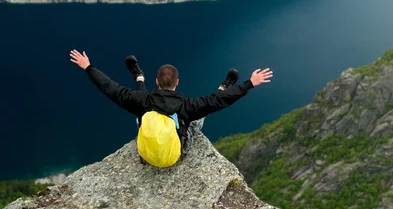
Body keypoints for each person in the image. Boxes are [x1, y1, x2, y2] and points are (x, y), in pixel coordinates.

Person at [69, 50, 273, 162]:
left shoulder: (144, 101)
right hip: (175, 156)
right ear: (177, 83)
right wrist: (249, 83)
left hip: (145, 154)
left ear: (157, 83)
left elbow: (110, 88)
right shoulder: (187, 106)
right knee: (206, 109)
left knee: (137, 104)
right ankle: (223, 87)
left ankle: (139, 77)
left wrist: (89, 67)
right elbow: (216, 102)